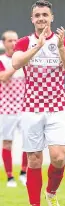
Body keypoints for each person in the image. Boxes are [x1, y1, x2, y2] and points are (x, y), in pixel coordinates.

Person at [12, 0, 65, 206]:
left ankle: (51, 193)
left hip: (57, 108)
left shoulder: (64, 41)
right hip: (31, 108)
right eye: (37, 15)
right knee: (34, 160)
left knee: (58, 158)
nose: (41, 18)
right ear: (32, 19)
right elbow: (16, 63)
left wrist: (59, 48)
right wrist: (37, 47)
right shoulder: (24, 42)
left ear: (52, 17)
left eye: (45, 15)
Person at [0, 30, 27, 187]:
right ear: (4, 43)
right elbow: (3, 77)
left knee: (28, 141)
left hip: (24, 107)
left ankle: (24, 173)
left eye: (16, 40)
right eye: (10, 40)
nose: (14, 43)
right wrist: (17, 65)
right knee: (7, 142)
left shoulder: (24, 59)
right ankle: (10, 177)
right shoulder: (2, 60)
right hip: (6, 108)